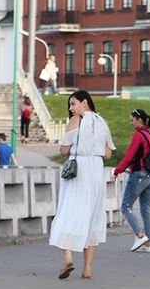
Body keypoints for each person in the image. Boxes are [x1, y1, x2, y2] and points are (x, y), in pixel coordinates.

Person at [49, 90, 115, 279]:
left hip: (79, 171)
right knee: (92, 216)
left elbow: (63, 150)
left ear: (84, 103)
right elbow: (108, 154)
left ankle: (68, 258)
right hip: (96, 170)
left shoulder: (76, 120)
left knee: (68, 211)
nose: (71, 109)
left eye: (73, 104)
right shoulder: (102, 122)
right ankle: (87, 268)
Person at [113, 108, 150, 253]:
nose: (130, 123)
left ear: (139, 120)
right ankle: (148, 244)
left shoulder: (139, 135)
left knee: (125, 206)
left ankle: (140, 236)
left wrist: (117, 171)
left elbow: (129, 156)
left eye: (132, 120)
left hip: (139, 176)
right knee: (146, 210)